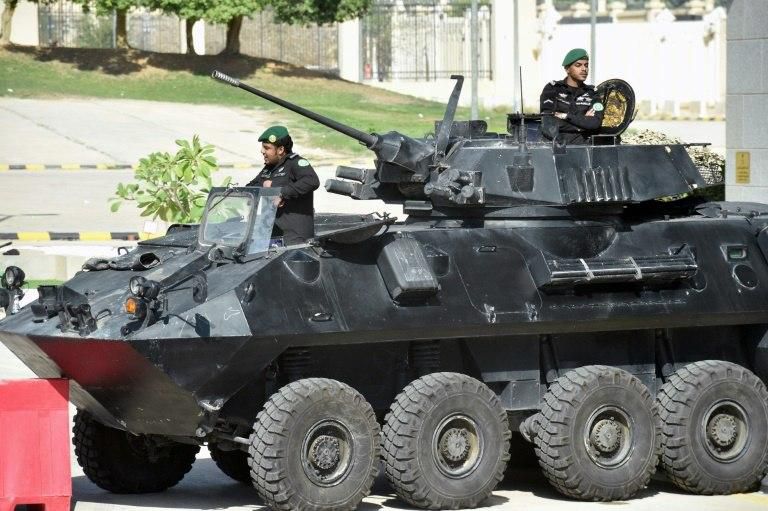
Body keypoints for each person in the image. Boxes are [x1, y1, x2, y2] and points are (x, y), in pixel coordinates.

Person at [246, 125, 320, 245]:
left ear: (280, 150)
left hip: (294, 239)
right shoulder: (269, 169)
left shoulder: (296, 163)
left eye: (267, 148)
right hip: (270, 235)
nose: (262, 151)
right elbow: (251, 187)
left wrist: (281, 192)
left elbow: (312, 181)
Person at [539, 48, 605, 145]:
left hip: (583, 147)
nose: (584, 69)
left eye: (586, 65)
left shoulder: (592, 93)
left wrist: (565, 116)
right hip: (556, 147)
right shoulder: (553, 89)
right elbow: (548, 123)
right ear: (567, 69)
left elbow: (595, 123)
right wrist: (583, 122)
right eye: (578, 65)